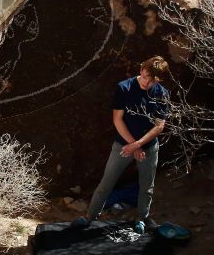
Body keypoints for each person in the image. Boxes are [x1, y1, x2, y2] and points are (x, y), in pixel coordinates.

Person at [72, 56, 170, 233]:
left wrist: (139, 145)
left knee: (147, 186)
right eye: (146, 76)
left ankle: (141, 218)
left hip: (148, 147)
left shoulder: (162, 93)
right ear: (141, 70)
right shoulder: (124, 88)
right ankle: (89, 216)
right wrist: (134, 146)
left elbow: (159, 126)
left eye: (152, 80)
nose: (147, 83)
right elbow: (117, 120)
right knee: (107, 182)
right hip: (123, 145)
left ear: (158, 80)